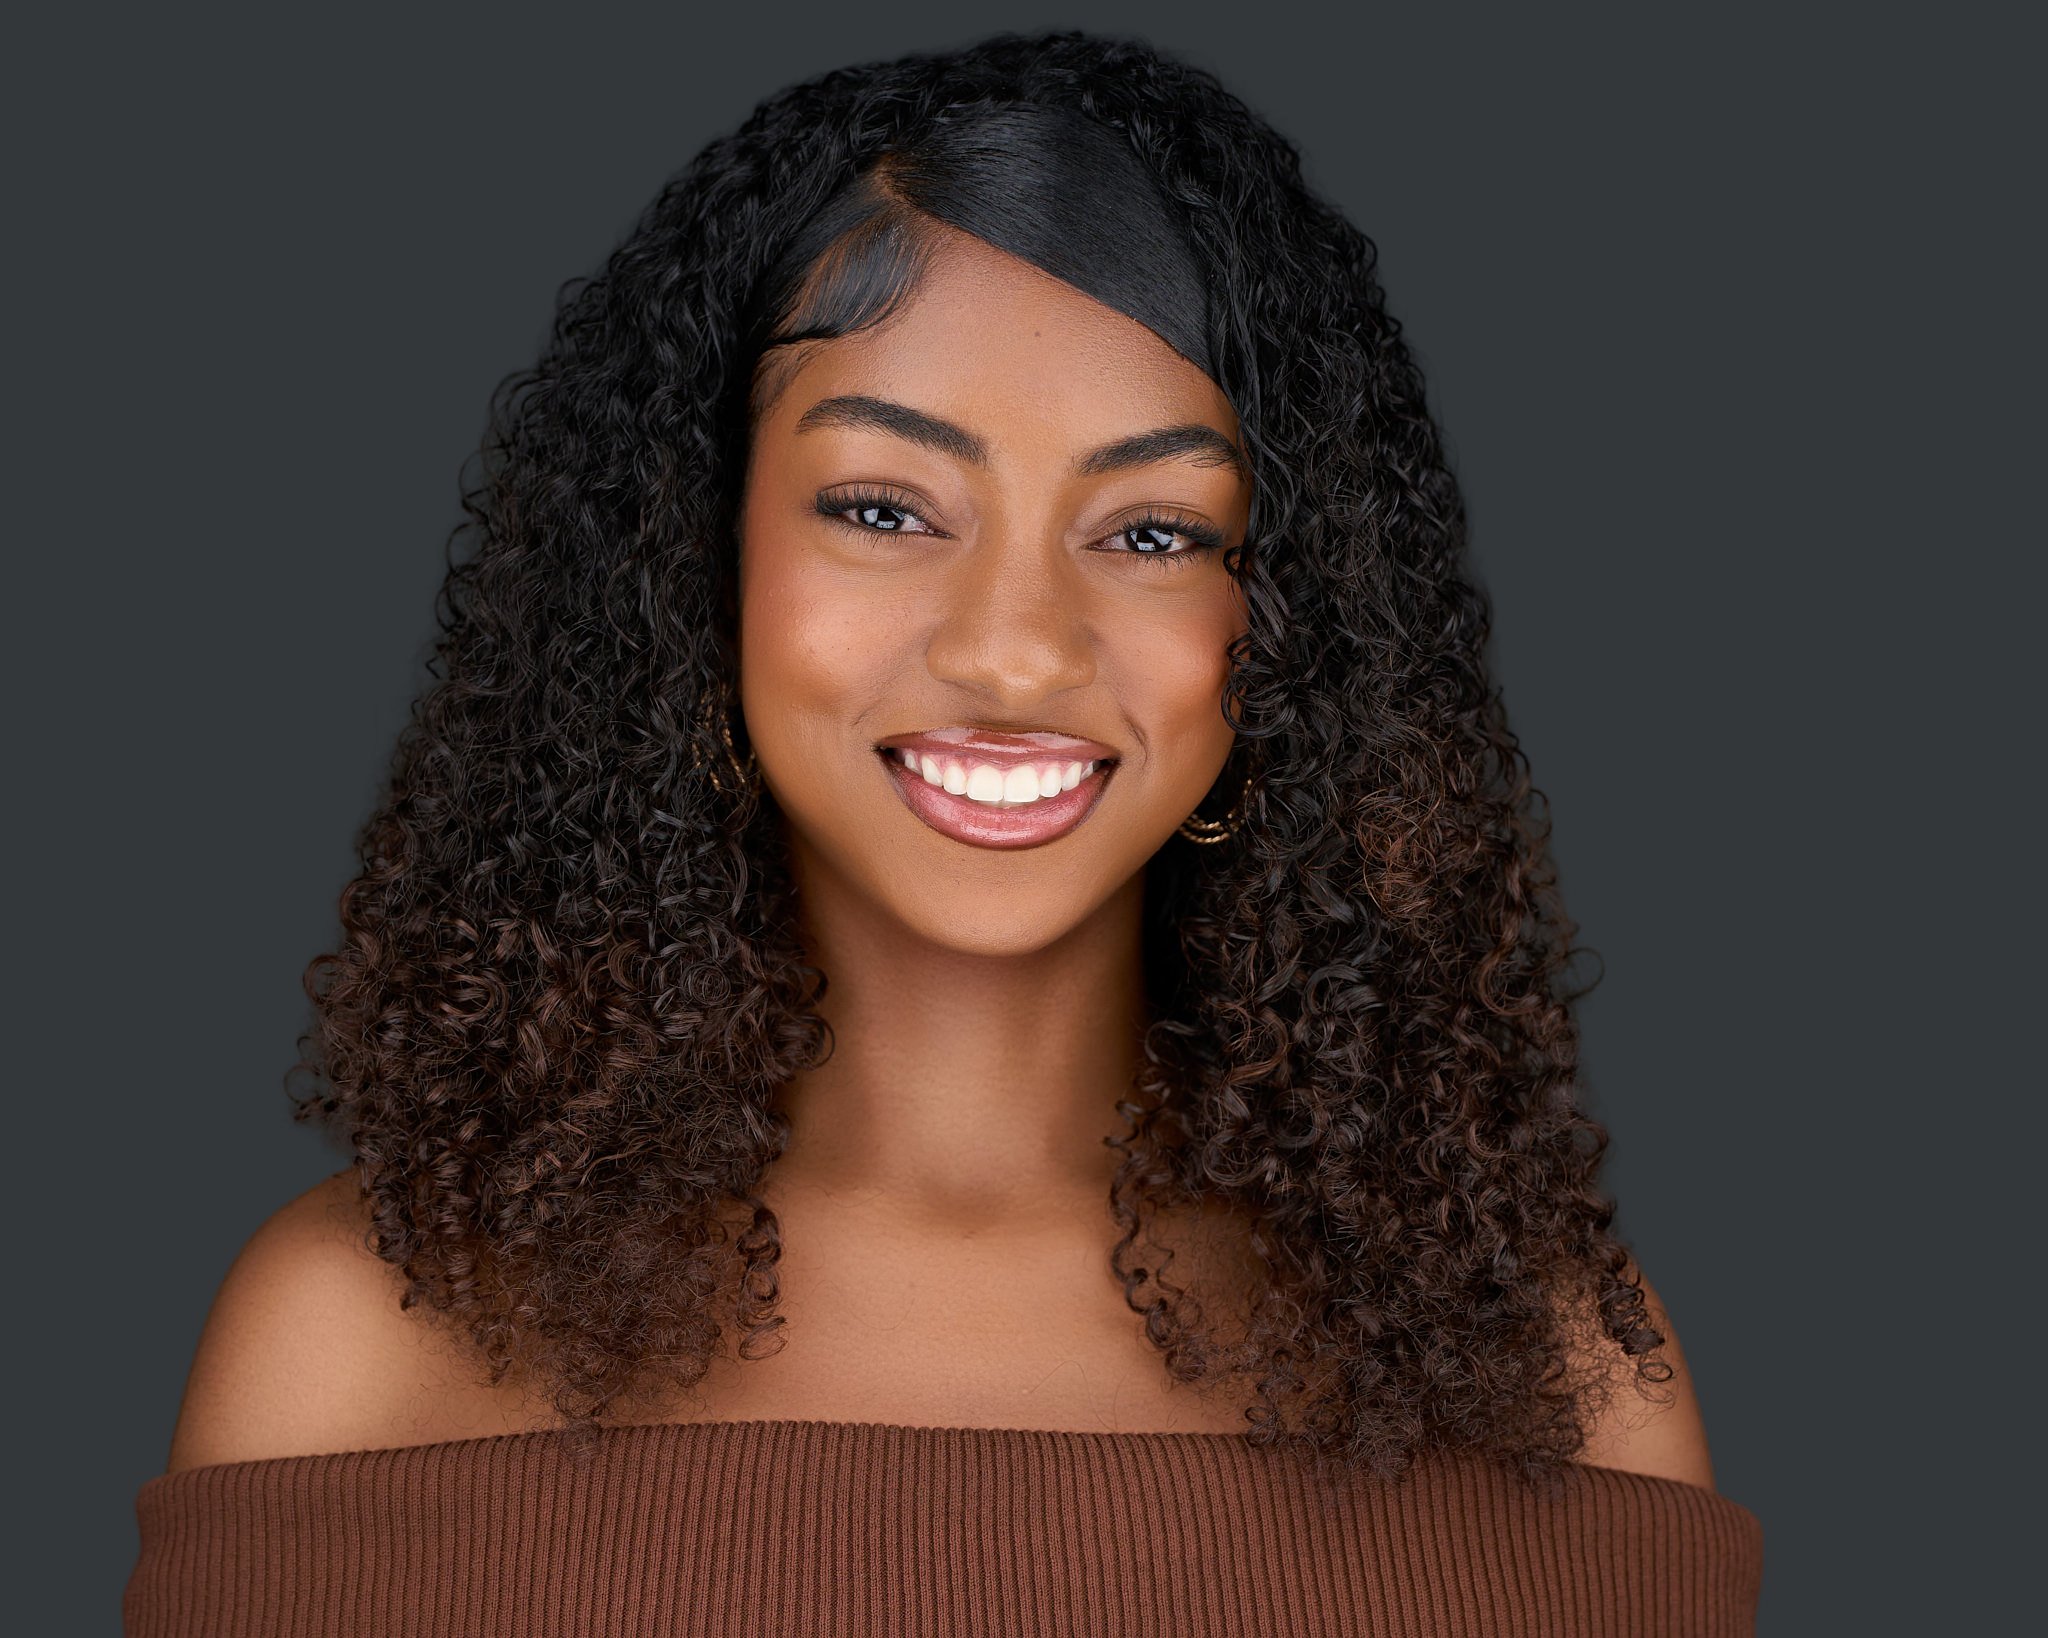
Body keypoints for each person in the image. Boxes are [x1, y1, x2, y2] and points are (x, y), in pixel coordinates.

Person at [126, 27, 1762, 1636]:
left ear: (1290, 635)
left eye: (1152, 528)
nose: (1015, 645)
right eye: (886, 507)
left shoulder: (1538, 1372)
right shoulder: (362, 1338)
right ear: (692, 566)